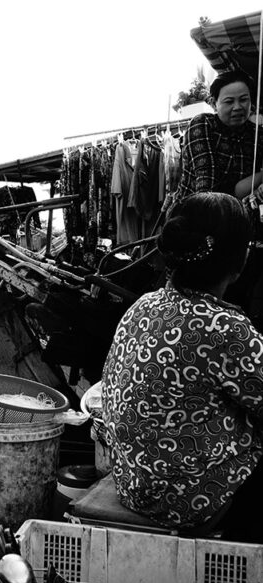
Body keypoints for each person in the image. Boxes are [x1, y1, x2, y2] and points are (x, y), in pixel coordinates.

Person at [101, 192, 263, 542]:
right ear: (240, 260)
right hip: (185, 501)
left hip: (131, 483)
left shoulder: (143, 306)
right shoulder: (225, 328)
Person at [175, 69, 263, 203]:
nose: (238, 107)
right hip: (194, 213)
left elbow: (241, 189)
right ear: (213, 104)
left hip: (236, 216)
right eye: (229, 101)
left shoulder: (257, 135)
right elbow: (206, 187)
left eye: (244, 99)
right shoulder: (203, 124)